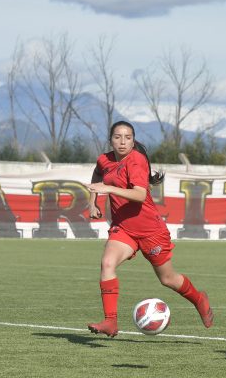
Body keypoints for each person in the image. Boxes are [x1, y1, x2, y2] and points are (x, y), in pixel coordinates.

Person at [86, 121, 213, 337]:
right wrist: (92, 202)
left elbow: (139, 195)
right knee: (107, 263)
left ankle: (198, 298)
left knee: (168, 279)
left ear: (133, 140)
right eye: (118, 137)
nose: (123, 141)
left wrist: (108, 189)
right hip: (124, 230)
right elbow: (97, 174)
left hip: (150, 231)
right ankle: (110, 321)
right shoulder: (104, 159)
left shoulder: (136, 161)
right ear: (110, 140)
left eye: (127, 137)